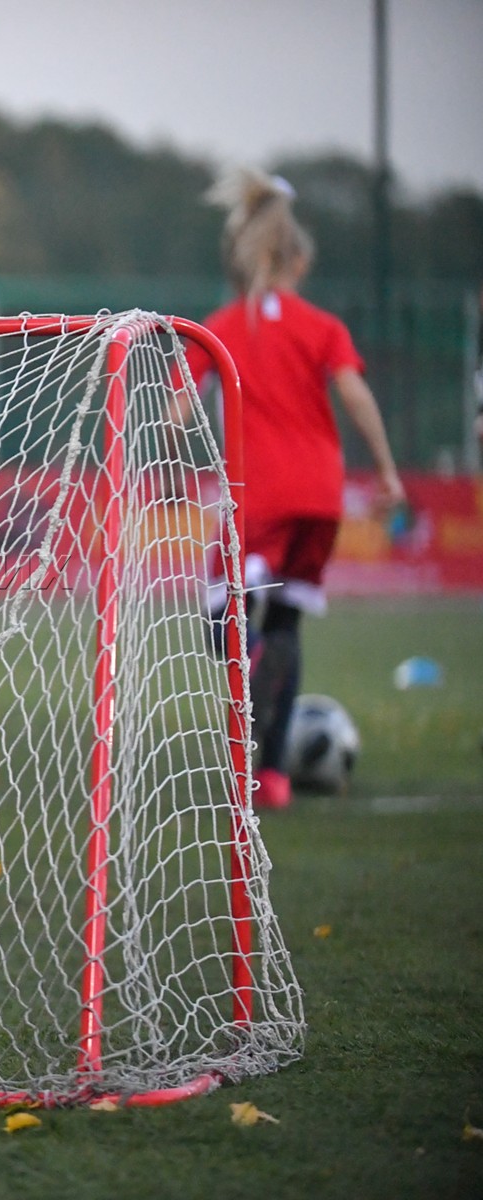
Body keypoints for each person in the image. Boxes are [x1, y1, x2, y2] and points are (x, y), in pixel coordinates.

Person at [183, 169, 405, 810]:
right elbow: (355, 393)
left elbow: (179, 407)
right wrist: (386, 471)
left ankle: (250, 668)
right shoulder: (323, 327)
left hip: (259, 496)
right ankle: (273, 775)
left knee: (220, 619)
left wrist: (162, 437)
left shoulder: (219, 325)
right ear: (298, 259)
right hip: (320, 494)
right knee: (287, 621)